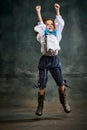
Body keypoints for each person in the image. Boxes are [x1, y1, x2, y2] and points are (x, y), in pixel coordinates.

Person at [34, 3, 71, 116]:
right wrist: (38, 12)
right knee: (42, 84)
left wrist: (57, 11)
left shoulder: (57, 35)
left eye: (52, 24)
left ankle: (64, 101)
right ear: (44, 27)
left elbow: (60, 23)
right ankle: (40, 105)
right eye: (47, 24)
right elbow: (40, 25)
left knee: (60, 83)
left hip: (55, 61)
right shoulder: (42, 35)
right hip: (44, 61)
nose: (50, 26)